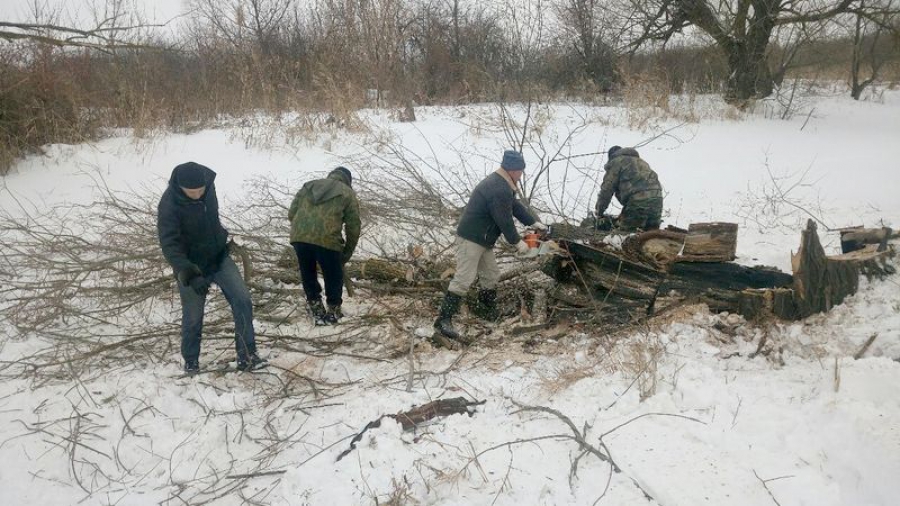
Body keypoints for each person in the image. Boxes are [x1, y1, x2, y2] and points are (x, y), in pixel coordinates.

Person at [157, 162, 265, 375]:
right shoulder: (169, 205)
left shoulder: (209, 186)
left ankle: (247, 356)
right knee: (193, 315)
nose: (197, 194)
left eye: (200, 190)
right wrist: (189, 273)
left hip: (219, 257)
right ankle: (191, 362)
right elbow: (169, 245)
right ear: (180, 188)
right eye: (192, 192)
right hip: (191, 265)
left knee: (242, 300)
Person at [434, 150, 546, 343]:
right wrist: (517, 242)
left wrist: (533, 222)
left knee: (491, 275)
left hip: (483, 240)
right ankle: (443, 320)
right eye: (520, 171)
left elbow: (515, 207)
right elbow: (504, 220)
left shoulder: (504, 184)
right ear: (512, 169)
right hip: (471, 239)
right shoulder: (497, 187)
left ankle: (487, 310)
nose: (521, 174)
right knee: (464, 279)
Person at [288, 166, 361, 325]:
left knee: (308, 272)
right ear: (348, 180)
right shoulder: (348, 193)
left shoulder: (309, 185)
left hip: (299, 237)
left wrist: (303, 230)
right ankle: (333, 310)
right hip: (328, 240)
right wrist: (346, 254)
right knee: (333, 275)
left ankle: (315, 305)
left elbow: (291, 213)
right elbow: (353, 227)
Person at [595, 146, 663, 231]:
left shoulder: (616, 162)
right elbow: (639, 188)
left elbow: (607, 190)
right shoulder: (642, 162)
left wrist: (599, 211)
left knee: (626, 236)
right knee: (650, 236)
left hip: (638, 202)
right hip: (657, 201)